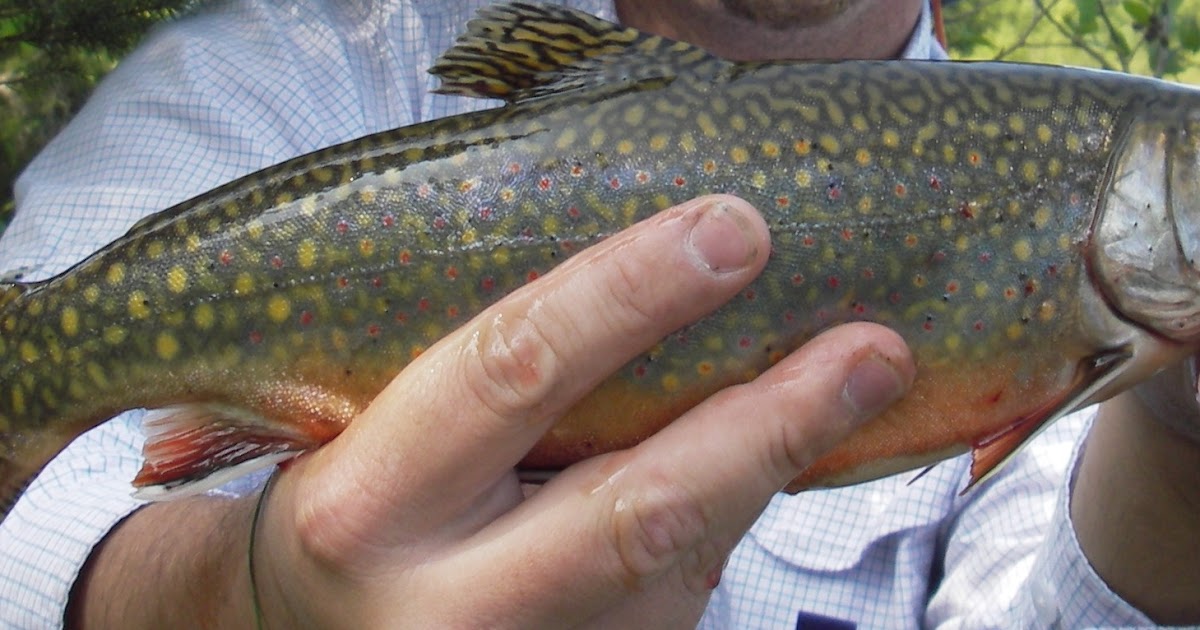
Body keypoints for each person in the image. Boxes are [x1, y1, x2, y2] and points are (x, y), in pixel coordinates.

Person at [1, 0, 1197, 627]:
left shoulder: (1119, 358)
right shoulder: (288, 61)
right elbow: (32, 536)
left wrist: (1183, 451)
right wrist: (229, 599)